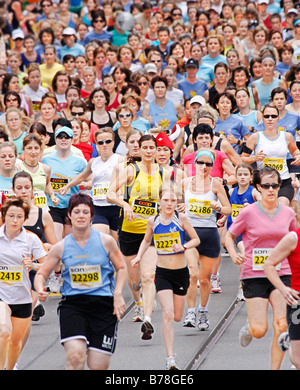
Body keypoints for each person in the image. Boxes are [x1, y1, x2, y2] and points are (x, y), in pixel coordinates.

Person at [34, 193, 126, 370]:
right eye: (77, 212)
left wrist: (118, 293)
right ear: (69, 215)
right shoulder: (61, 246)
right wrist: (40, 288)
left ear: (92, 216)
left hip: (103, 306)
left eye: (85, 212)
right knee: (76, 356)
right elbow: (42, 273)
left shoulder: (106, 241)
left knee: (98, 364)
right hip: (74, 305)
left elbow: (121, 268)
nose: (81, 216)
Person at [225, 167, 297, 370]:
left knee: (281, 325)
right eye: (266, 185)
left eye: (275, 185)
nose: (271, 189)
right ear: (258, 187)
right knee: (260, 330)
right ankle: (249, 327)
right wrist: (233, 253)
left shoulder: (288, 213)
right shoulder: (248, 212)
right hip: (253, 274)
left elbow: (294, 240)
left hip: (282, 273)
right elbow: (229, 236)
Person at [107, 134, 171, 337]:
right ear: (140, 150)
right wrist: (125, 204)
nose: (150, 151)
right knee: (134, 280)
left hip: (152, 231)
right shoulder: (130, 170)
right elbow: (109, 193)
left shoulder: (164, 173)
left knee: (148, 276)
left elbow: (168, 199)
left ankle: (148, 318)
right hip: (129, 230)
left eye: (153, 147)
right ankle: (138, 301)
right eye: (146, 147)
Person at [131, 182, 200, 370]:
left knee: (177, 316)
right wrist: (138, 257)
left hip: (180, 273)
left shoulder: (182, 218)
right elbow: (146, 241)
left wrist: (183, 246)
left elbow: (196, 239)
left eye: (173, 200)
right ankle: (170, 358)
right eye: (166, 200)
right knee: (168, 315)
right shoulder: (153, 221)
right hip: (162, 273)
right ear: (159, 201)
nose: (169, 203)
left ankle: (171, 355)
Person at [179, 148, 231, 330]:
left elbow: (228, 209)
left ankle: (203, 311)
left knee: (205, 279)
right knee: (193, 274)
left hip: (209, 234)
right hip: (190, 233)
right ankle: (191, 312)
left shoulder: (215, 184)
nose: (204, 166)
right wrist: (179, 207)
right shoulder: (184, 183)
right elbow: (172, 202)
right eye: (200, 162)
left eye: (208, 164)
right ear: (194, 164)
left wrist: (218, 207)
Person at [0, 196, 47, 370]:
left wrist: (34, 265)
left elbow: (49, 264)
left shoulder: (31, 239)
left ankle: (10, 368)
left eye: (19, 216)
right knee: (4, 332)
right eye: (11, 215)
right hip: (1, 295)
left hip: (21, 297)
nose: (15, 220)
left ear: (25, 218)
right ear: (4, 215)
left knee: (14, 342)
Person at [59, 127, 122, 242]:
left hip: (116, 207)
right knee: (99, 238)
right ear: (96, 144)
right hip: (98, 207)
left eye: (108, 141)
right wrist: (67, 186)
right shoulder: (94, 162)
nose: (104, 145)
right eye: (100, 142)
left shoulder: (120, 160)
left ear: (113, 142)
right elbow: (82, 176)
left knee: (116, 244)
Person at [241, 104, 300, 205]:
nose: (270, 119)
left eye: (273, 116)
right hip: (263, 182)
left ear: (278, 118)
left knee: (281, 206)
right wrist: (254, 158)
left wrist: (298, 156)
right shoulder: (255, 137)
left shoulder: (287, 136)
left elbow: (295, 151)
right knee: (266, 210)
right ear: (262, 118)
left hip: (283, 181)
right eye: (267, 116)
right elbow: (242, 158)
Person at [264, 213, 300, 369]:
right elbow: (269, 264)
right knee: (297, 360)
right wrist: (283, 289)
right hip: (297, 301)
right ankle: (291, 344)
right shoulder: (293, 238)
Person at [41, 126, 87, 241]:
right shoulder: (46, 159)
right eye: (60, 137)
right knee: (55, 242)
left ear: (72, 140)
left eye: (67, 137)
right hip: (53, 206)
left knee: (70, 242)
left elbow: (90, 181)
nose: (63, 139)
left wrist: (76, 183)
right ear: (55, 140)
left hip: (72, 206)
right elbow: (43, 182)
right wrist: (52, 194)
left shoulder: (80, 161)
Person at [17, 134, 59, 208]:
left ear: (40, 149)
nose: (33, 152)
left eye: (36, 148)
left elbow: (47, 184)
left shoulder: (46, 169)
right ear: (23, 149)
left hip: (43, 210)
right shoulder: (18, 168)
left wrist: (52, 196)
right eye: (29, 148)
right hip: (25, 210)